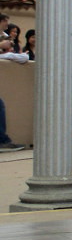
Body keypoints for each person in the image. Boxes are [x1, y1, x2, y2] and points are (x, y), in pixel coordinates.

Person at [0, 14, 27, 152]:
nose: (7, 25)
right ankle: (3, 141)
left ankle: (3, 140)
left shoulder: (4, 36)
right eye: (5, 22)